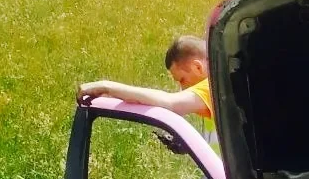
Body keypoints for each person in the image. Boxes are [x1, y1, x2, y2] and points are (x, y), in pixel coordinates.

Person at [79, 35, 218, 150]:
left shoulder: (212, 86)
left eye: (182, 79)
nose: (182, 88)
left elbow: (171, 104)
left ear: (197, 67)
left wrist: (106, 86)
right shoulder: (221, 92)